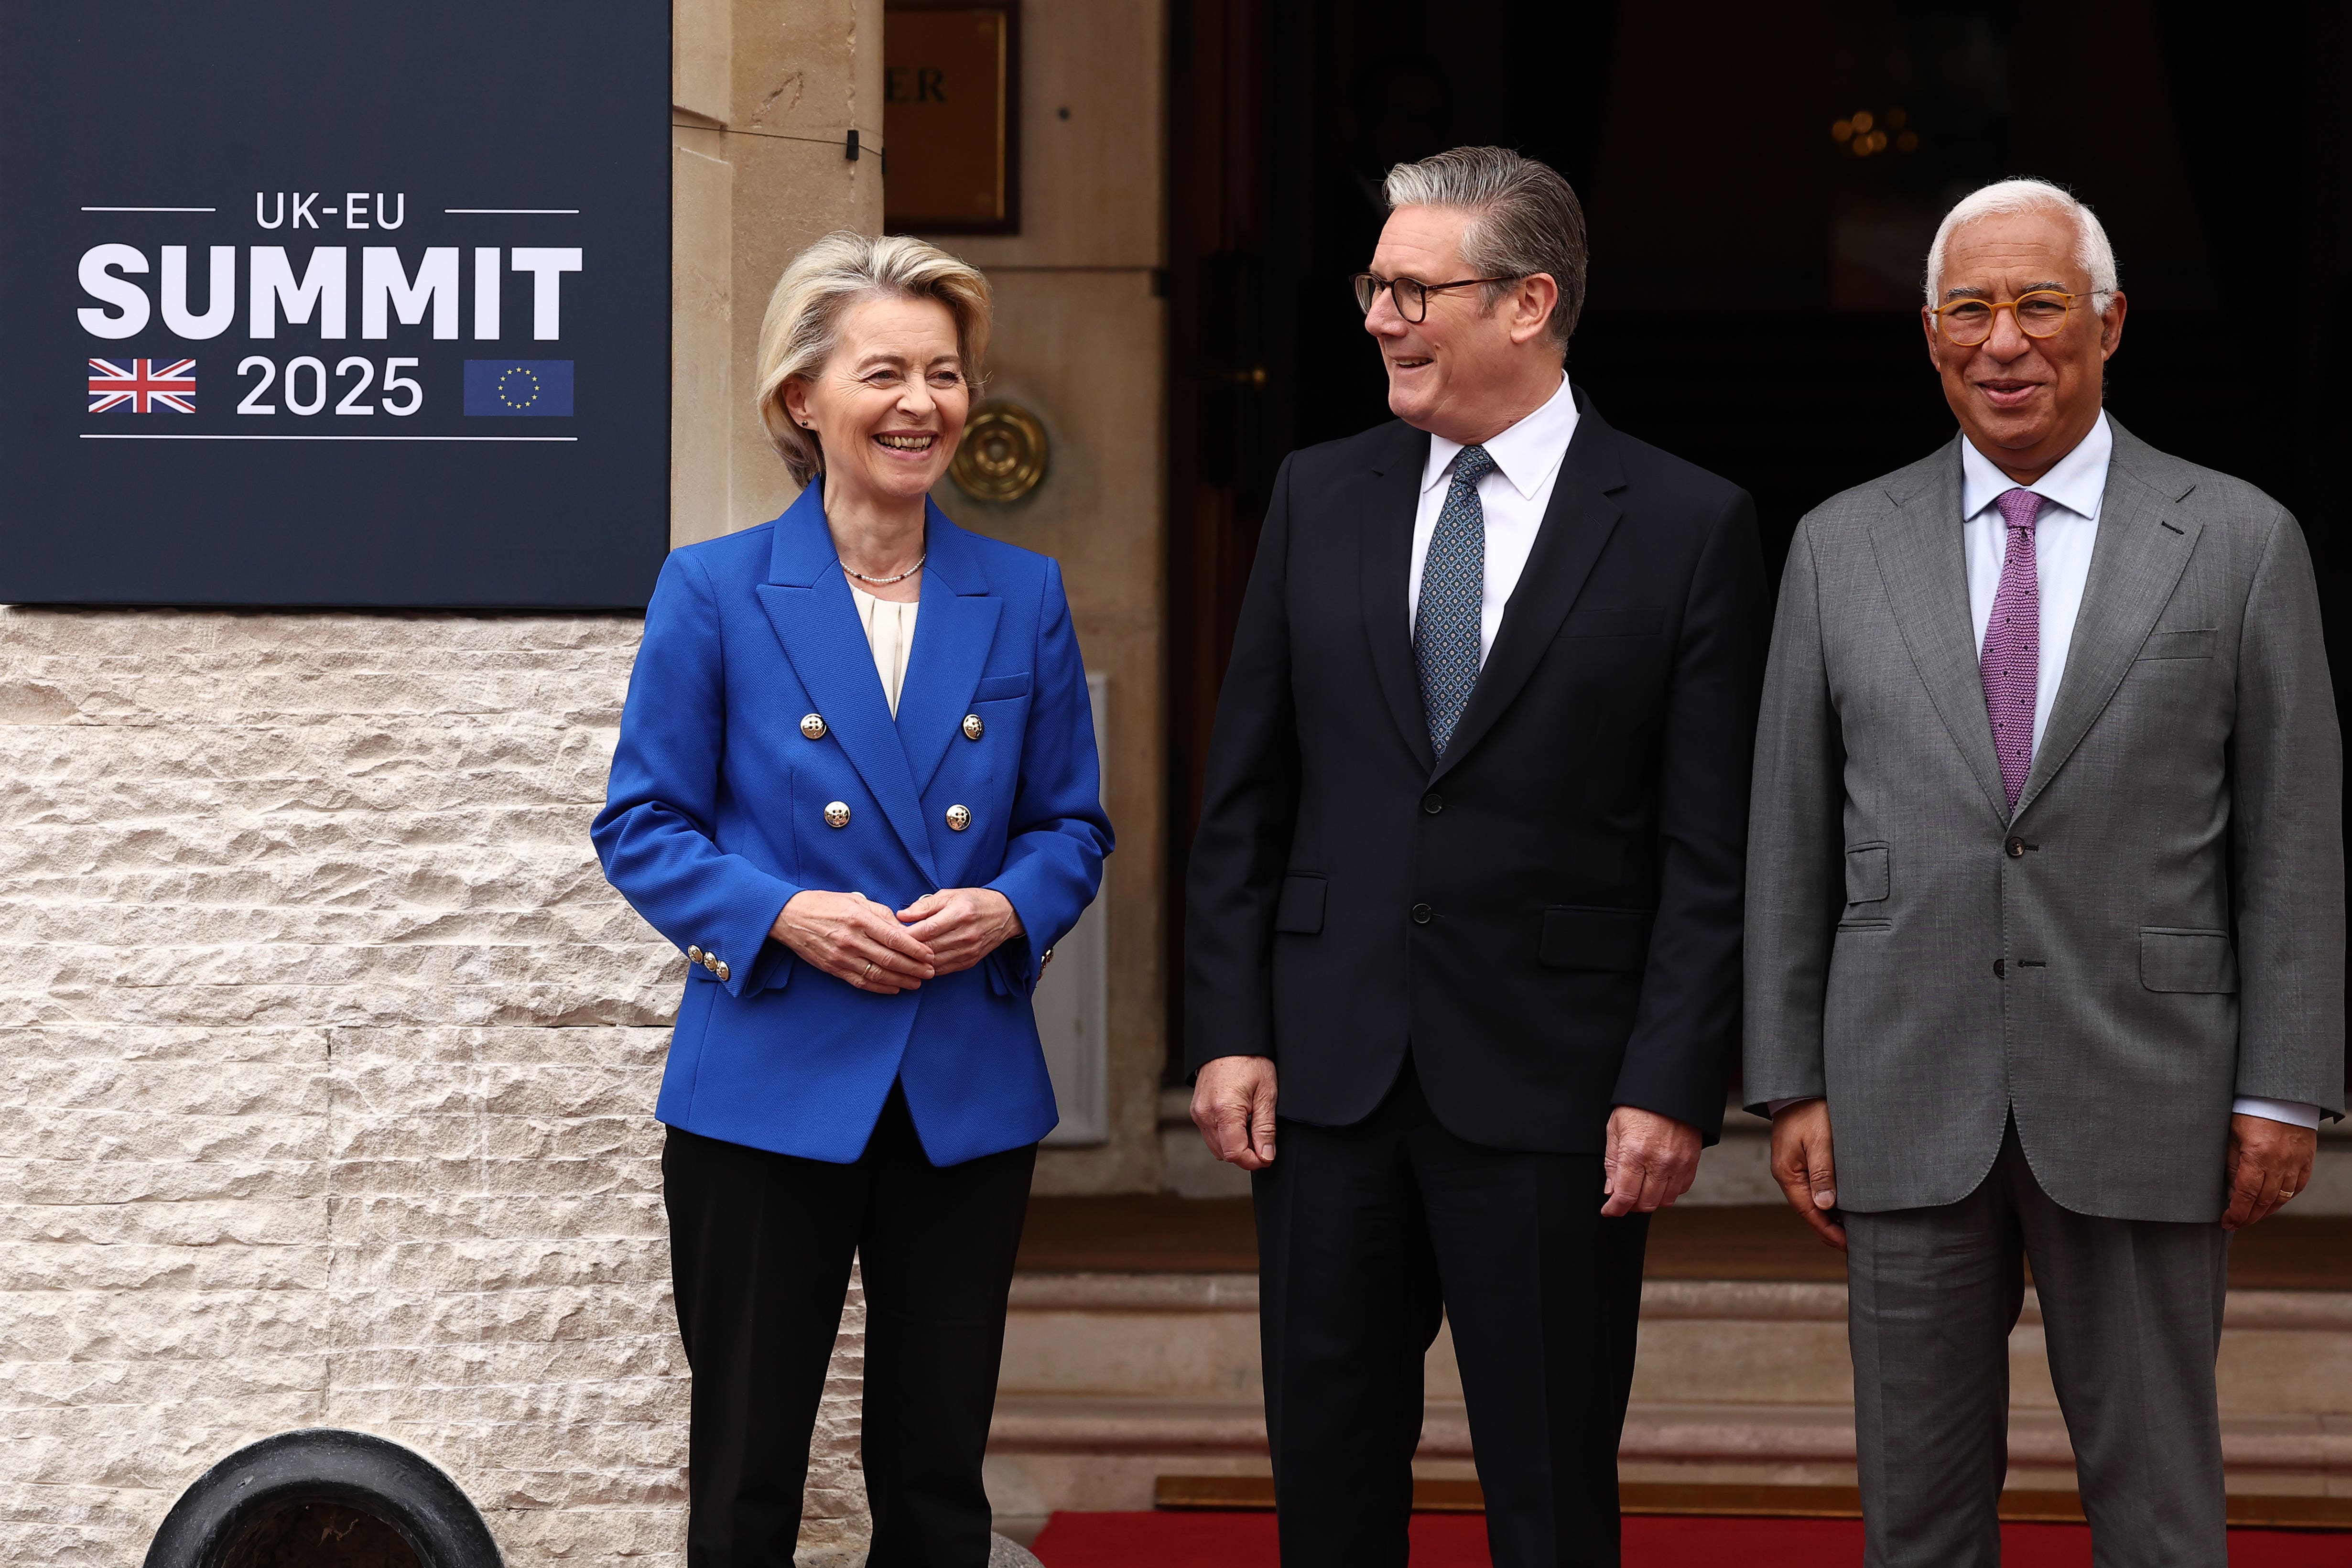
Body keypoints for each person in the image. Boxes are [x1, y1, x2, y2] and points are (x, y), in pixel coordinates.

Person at [1745, 178, 2344, 1566]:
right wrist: (1793, 1078)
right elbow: (1787, 835)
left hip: (2150, 1086)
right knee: (1916, 1514)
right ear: (1929, 333)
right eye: (1968, 308)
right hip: (1900, 1085)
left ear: (2109, 322)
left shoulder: (2238, 539)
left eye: (2037, 304)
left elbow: (2291, 833)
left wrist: (2278, 1084)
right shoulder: (1838, 544)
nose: (2001, 340)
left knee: (2155, 1512)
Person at [1185, 146, 1768, 1567]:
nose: (1379, 316)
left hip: (1557, 1090)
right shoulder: (1317, 495)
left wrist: (1667, 1080)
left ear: (1528, 303)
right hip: (1325, 1080)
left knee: (1550, 1486)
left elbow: (1711, 844)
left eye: (1411, 288)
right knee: (1324, 1478)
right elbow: (1245, 796)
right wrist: (1231, 1028)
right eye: (1371, 286)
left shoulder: (1689, 526)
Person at [591, 231, 1112, 1568]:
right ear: (798, 399)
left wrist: (1006, 908)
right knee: (749, 1472)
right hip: (767, 1076)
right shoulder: (711, 589)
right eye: (884, 371)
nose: (921, 403)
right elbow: (641, 824)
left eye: (945, 373)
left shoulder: (1025, 593)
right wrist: (780, 913)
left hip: (961, 1086)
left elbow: (1069, 825)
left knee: (937, 1481)